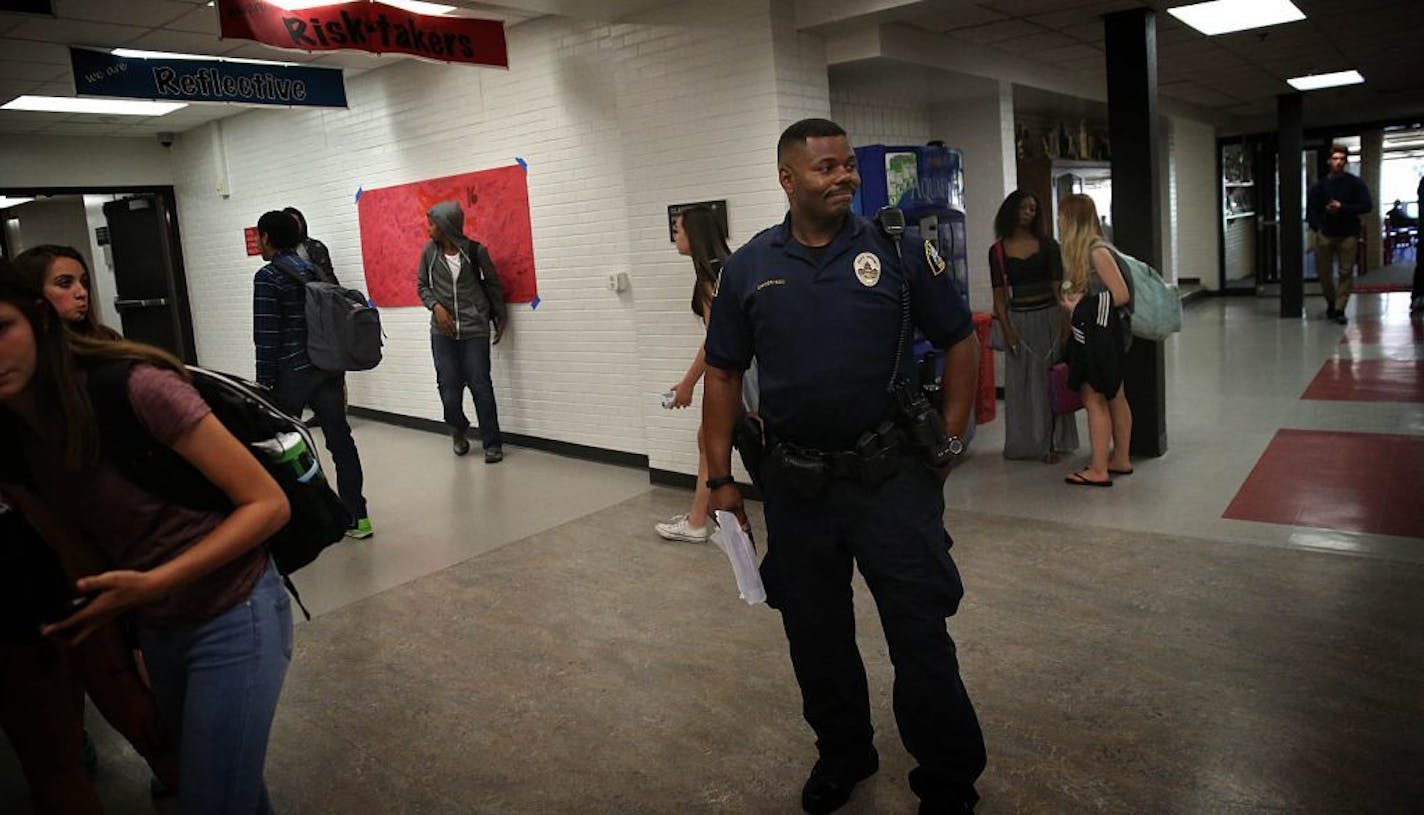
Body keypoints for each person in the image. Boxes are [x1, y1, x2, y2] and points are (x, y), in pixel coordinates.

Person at [703, 118, 985, 813]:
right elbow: (722, 374)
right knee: (815, 633)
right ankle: (843, 752)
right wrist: (718, 478)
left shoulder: (897, 247)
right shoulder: (748, 266)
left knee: (919, 630)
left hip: (890, 477)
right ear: (788, 179)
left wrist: (947, 441)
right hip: (797, 487)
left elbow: (960, 341)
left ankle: (948, 775)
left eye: (847, 166)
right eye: (826, 168)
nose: (844, 178)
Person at [0, 270, 293, 814]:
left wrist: (152, 582)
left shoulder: (134, 387)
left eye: (1, 328)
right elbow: (74, 550)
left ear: (40, 320)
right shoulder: (13, 440)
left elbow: (268, 504)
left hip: (236, 608)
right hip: (160, 627)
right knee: (231, 790)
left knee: (209, 799)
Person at [254, 210, 373, 538]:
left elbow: (266, 335)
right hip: (326, 365)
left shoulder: (268, 277)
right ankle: (357, 516)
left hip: (292, 371)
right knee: (340, 440)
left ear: (266, 237)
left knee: (284, 446)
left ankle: (299, 519)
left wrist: (263, 382)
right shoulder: (313, 268)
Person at [655, 206, 730, 543]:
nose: (676, 236)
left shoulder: (709, 277)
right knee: (707, 440)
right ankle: (702, 514)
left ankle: (699, 521)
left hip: (735, 376)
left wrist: (687, 385)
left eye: (679, 230)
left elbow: (716, 341)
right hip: (742, 371)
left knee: (710, 442)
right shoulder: (726, 267)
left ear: (694, 234)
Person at [987, 191, 1078, 462]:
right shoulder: (998, 251)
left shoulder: (1049, 246)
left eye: (1033, 208)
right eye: (1024, 207)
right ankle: (1025, 443)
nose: (1030, 212)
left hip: (1048, 317)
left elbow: (1058, 290)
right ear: (1011, 210)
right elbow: (1000, 298)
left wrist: (1065, 326)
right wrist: (1008, 330)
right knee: (1021, 385)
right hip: (1019, 320)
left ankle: (1053, 443)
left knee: (1050, 381)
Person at [416, 200, 508, 463]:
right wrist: (436, 307)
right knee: (448, 389)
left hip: (474, 329)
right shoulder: (428, 253)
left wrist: (500, 317)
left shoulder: (476, 251)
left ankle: (492, 443)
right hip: (442, 332)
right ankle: (458, 429)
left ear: (446, 226)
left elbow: (492, 284)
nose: (428, 228)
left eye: (432, 223)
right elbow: (422, 285)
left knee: (481, 386)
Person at [1057, 194, 1133, 487]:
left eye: (1062, 216)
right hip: (1106, 335)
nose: (1059, 221)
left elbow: (1121, 294)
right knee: (1115, 394)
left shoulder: (1096, 252)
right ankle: (1120, 459)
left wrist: (1080, 307)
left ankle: (1098, 468)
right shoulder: (1093, 250)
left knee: (1094, 397)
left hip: (1100, 337)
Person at [1306, 145, 1372, 325]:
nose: (1338, 162)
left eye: (1342, 159)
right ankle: (1331, 302)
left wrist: (1343, 207)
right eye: (1335, 159)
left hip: (1348, 233)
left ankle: (1340, 308)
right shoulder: (1320, 186)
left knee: (1346, 272)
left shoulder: (1355, 183)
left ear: (1346, 162)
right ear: (1329, 161)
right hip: (1325, 233)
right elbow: (1311, 210)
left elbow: (1366, 205)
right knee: (1324, 273)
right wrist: (1319, 223)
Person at [12, 244, 121, 340]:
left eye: (84, 282)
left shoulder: (107, 339)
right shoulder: (22, 350)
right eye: (65, 283)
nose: (82, 293)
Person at [283, 206, 338, 284]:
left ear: (302, 224)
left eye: (295, 222)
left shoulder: (314, 246)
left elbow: (327, 277)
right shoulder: (280, 250)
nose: (292, 226)